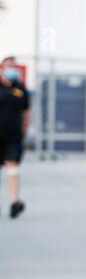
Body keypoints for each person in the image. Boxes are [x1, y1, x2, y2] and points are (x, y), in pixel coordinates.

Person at [0, 56, 30, 219]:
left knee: (12, 168)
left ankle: (14, 202)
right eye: (8, 66)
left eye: (13, 66)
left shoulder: (20, 88)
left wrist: (25, 131)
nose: (11, 69)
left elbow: (26, 112)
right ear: (2, 68)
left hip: (13, 136)